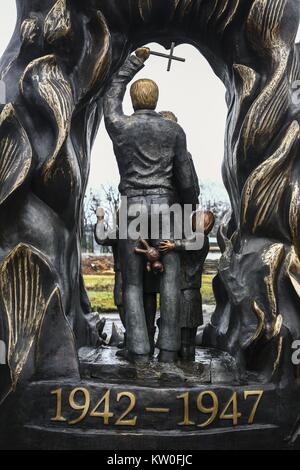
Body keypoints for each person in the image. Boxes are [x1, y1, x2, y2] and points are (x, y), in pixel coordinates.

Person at [104, 47, 199, 363]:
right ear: (156, 101)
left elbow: (110, 97)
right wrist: (187, 212)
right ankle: (169, 352)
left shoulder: (121, 127)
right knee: (169, 281)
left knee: (133, 284)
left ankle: (139, 351)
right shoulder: (174, 131)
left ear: (133, 101)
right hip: (165, 209)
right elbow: (186, 181)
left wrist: (132, 62)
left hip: (132, 208)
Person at [160, 211, 215, 361]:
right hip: (190, 292)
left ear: (205, 224)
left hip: (187, 292)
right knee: (187, 337)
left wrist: (173, 245)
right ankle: (188, 363)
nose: (192, 220)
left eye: (196, 219)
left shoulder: (200, 238)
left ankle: (186, 367)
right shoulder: (199, 238)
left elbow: (188, 244)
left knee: (186, 337)